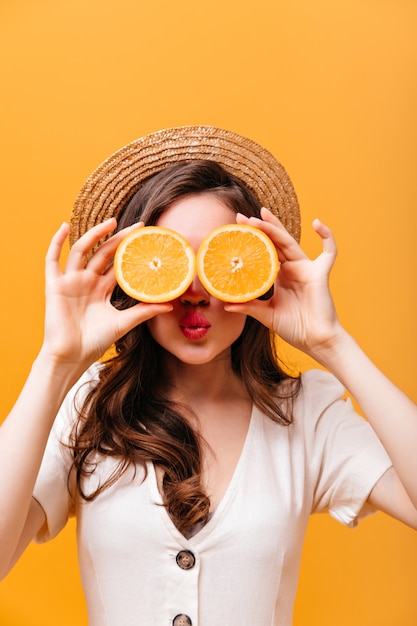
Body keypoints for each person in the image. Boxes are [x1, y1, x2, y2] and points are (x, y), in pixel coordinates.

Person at [0, 126, 416, 626]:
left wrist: (333, 344)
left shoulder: (306, 412)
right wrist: (56, 363)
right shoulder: (88, 406)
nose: (194, 292)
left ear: (255, 266)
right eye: (169, 259)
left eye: (217, 259)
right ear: (133, 275)